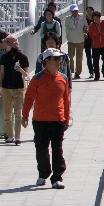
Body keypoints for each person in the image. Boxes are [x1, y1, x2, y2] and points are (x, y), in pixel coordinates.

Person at [22, 47, 71, 189]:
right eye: (55, 59)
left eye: (59, 59)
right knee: (41, 149)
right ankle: (43, 173)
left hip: (58, 120)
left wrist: (66, 119)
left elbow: (66, 101)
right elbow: (29, 98)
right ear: (46, 62)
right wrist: (24, 115)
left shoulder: (64, 78)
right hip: (40, 121)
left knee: (57, 149)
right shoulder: (37, 79)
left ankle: (57, 177)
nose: (59, 62)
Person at [0, 35, 31, 144]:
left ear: (10, 44)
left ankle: (17, 136)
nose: (5, 45)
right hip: (6, 87)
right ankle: (10, 136)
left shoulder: (22, 57)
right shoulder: (4, 57)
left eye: (7, 43)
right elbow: (2, 73)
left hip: (19, 87)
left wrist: (20, 69)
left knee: (17, 113)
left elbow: (26, 75)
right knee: (7, 113)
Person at [63, 4, 87, 78]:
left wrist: (85, 31)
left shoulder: (82, 17)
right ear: (71, 11)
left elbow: (86, 25)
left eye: (76, 10)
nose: (75, 12)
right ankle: (71, 70)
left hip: (80, 40)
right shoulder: (67, 19)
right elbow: (69, 27)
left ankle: (77, 73)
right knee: (71, 56)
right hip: (71, 40)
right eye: (73, 11)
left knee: (79, 57)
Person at [88, 10, 104, 80]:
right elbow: (91, 35)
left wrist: (102, 34)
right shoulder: (91, 25)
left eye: (96, 18)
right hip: (95, 46)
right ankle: (97, 75)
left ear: (99, 17)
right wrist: (97, 34)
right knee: (95, 61)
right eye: (94, 19)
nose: (95, 20)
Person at [82, 7, 97, 78]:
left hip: (95, 40)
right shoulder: (83, 20)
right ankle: (91, 72)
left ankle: (95, 70)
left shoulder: (96, 19)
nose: (89, 12)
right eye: (87, 11)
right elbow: (81, 28)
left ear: (93, 11)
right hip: (87, 40)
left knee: (95, 56)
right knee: (88, 57)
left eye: (90, 11)